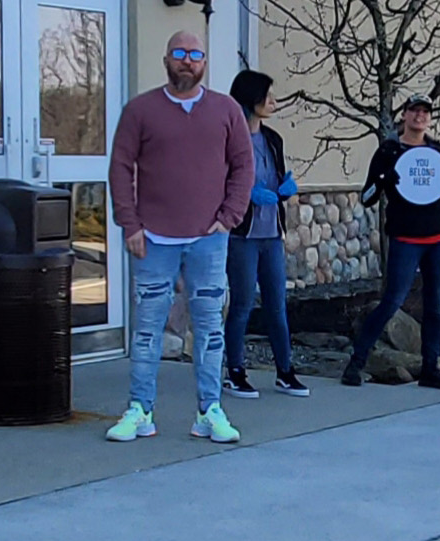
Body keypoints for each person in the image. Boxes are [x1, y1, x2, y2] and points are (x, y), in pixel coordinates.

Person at [106, 32, 254, 444]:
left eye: (195, 55)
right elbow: (120, 167)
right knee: (148, 328)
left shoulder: (226, 110)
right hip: (152, 239)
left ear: (204, 62)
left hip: (209, 238)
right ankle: (140, 410)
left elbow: (243, 166)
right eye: (179, 54)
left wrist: (229, 216)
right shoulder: (140, 111)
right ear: (166, 59)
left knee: (209, 329)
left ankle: (210, 412)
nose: (187, 62)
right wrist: (130, 224)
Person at [343, 94, 440, 390]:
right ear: (405, 115)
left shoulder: (437, 152)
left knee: (435, 306)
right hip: (406, 237)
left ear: (430, 118)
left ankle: (430, 368)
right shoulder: (389, 151)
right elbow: (368, 196)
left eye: (425, 112)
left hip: (439, 236)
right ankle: (356, 361)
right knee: (392, 301)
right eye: (414, 111)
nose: (420, 116)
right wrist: (385, 178)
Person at [222, 71, 308, 399]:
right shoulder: (228, 138)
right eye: (268, 95)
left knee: (277, 305)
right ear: (251, 97)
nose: (273, 101)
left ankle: (285, 372)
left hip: (271, 232)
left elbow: (275, 177)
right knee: (242, 304)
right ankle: (235, 371)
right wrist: (247, 195)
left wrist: (285, 189)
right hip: (242, 235)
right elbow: (220, 184)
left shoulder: (273, 138)